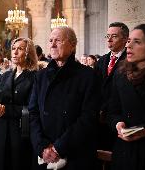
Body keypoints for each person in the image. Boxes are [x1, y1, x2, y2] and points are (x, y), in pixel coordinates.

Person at [28, 27, 100, 170]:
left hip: (74, 153)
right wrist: (42, 146)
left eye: (58, 40)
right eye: (50, 40)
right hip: (45, 154)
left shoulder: (88, 76)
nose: (52, 44)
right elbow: (33, 112)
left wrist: (58, 148)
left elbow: (88, 117)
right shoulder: (41, 76)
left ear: (72, 45)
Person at [107, 24, 145, 170]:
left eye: (136, 42)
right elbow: (112, 111)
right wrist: (118, 124)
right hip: (125, 153)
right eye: (129, 40)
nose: (128, 45)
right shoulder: (120, 75)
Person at [0, 37, 38, 170]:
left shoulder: (35, 77)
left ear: (28, 53)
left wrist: (5, 110)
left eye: (20, 49)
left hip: (19, 132)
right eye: (13, 49)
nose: (14, 52)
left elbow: (33, 108)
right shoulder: (5, 76)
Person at [95, 22, 129, 151]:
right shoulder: (102, 60)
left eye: (114, 36)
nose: (109, 39)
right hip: (101, 117)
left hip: (121, 119)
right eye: (107, 36)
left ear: (125, 39)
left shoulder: (130, 60)